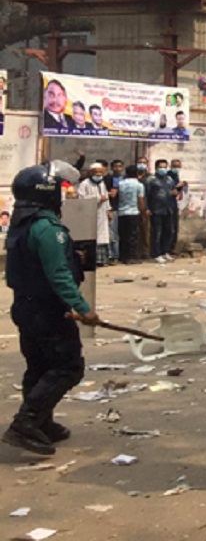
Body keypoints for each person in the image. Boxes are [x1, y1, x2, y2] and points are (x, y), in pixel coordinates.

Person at [3, 161, 100, 455]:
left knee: (39, 365)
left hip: (25, 306)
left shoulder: (20, 225)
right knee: (67, 367)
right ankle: (26, 423)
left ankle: (42, 421)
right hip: (48, 310)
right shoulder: (48, 229)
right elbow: (58, 274)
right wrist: (83, 308)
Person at [77, 164, 111, 266]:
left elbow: (106, 197)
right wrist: (98, 198)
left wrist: (109, 210)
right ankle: (92, 260)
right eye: (97, 172)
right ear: (91, 172)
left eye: (101, 172)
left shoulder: (101, 183)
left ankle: (101, 260)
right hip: (90, 214)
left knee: (102, 236)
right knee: (92, 236)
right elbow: (82, 198)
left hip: (102, 213)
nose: (99, 174)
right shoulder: (85, 184)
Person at [145, 159, 177, 263]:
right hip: (156, 209)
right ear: (156, 168)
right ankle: (156, 253)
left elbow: (173, 191)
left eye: (164, 167)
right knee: (157, 232)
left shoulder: (169, 179)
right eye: (160, 167)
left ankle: (165, 252)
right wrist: (147, 208)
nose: (163, 169)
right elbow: (146, 195)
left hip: (168, 209)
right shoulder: (151, 180)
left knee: (168, 232)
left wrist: (174, 193)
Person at [116, 165, 146, 264]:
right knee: (133, 236)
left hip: (121, 212)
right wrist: (143, 213)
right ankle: (131, 257)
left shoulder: (120, 184)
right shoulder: (139, 185)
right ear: (137, 173)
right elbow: (140, 200)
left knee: (122, 235)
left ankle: (122, 256)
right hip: (133, 212)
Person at [107, 159, 124, 264]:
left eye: (120, 166)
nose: (118, 169)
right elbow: (111, 194)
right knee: (113, 233)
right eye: (115, 166)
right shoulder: (109, 179)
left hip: (125, 209)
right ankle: (114, 255)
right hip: (113, 208)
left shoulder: (125, 179)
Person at [169, 159, 188, 256]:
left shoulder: (178, 176)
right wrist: (177, 187)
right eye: (174, 166)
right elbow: (170, 190)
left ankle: (172, 248)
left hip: (176, 205)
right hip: (168, 205)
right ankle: (167, 249)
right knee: (169, 228)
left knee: (175, 228)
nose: (176, 168)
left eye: (178, 166)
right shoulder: (168, 176)